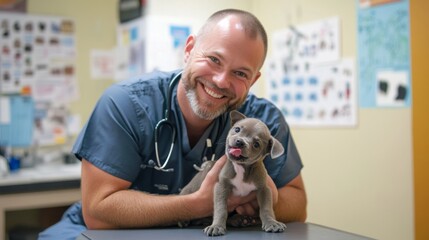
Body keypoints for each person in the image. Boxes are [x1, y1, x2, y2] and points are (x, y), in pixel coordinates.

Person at [39, 8, 307, 240]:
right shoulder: (125, 105)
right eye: (214, 60)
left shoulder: (263, 122)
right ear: (189, 49)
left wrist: (267, 199)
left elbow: (298, 204)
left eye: (240, 73)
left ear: (254, 79)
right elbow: (98, 211)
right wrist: (198, 204)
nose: (221, 81)